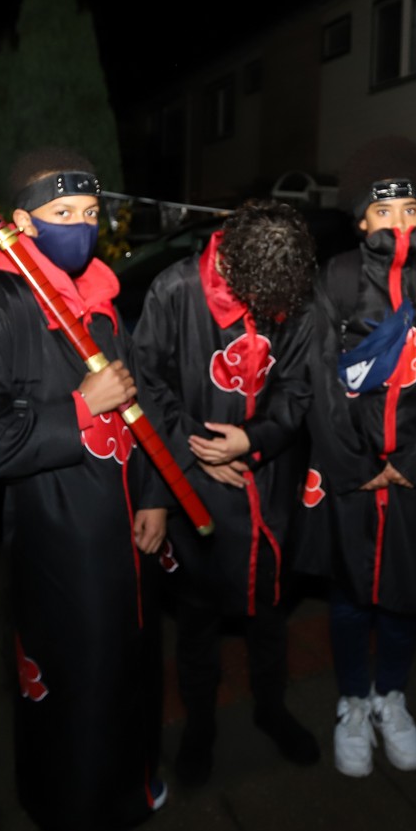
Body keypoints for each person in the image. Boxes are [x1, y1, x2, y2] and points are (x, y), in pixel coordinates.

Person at [0, 148, 167, 831]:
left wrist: (152, 495)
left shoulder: (101, 300)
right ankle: (82, 818)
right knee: (78, 686)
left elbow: (138, 407)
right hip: (61, 543)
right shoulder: (2, 311)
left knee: (130, 670)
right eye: (62, 213)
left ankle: (128, 788)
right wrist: (76, 411)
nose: (80, 226)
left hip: (124, 532)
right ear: (22, 223)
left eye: (90, 213)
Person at [302, 136, 416, 778]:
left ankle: (391, 696)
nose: (400, 223)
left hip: (415, 478)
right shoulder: (336, 278)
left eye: (411, 211)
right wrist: (355, 463)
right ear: (361, 221)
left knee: (406, 593)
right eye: (385, 212)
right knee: (350, 594)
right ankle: (353, 701)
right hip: (348, 471)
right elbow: (318, 378)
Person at [130, 198, 321, 788]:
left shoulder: (295, 289)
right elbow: (146, 384)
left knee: (270, 614)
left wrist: (253, 440)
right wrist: (193, 451)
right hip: (195, 487)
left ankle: (271, 708)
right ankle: (199, 726)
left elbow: (298, 386)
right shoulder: (174, 290)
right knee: (197, 618)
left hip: (269, 480)